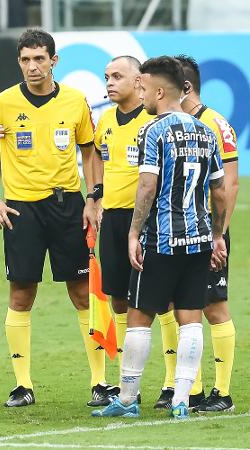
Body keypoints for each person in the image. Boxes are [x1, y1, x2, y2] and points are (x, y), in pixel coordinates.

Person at [93, 56, 227, 420]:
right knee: (190, 318)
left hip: (163, 239)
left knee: (138, 316)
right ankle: (182, 399)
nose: (141, 93)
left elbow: (148, 185)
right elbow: (220, 191)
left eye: (143, 87)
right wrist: (217, 235)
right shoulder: (205, 131)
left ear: (159, 90)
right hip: (198, 239)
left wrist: (134, 233)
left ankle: (127, 397)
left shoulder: (154, 130)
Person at [0, 29, 100, 407]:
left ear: (54, 61)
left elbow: (90, 151)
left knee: (81, 293)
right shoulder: (1, 104)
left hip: (68, 207)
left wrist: (94, 198)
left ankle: (100, 382)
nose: (32, 66)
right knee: (21, 293)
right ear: (19, 62)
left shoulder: (76, 101)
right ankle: (22, 385)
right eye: (26, 59)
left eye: (39, 59)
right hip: (22, 210)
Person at [91, 56, 179, 409]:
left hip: (147, 218)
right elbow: (96, 154)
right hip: (112, 219)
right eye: (106, 77)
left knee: (165, 299)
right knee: (119, 299)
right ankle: (131, 386)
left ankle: (173, 383)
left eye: (117, 76)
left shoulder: (154, 119)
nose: (109, 82)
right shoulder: (106, 120)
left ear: (139, 80)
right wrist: (95, 194)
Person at [175, 54, 239, 413]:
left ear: (185, 87)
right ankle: (193, 390)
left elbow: (230, 182)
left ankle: (223, 393)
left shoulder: (215, 123)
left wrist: (220, 234)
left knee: (214, 306)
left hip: (208, 230)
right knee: (183, 308)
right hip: (178, 230)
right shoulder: (173, 123)